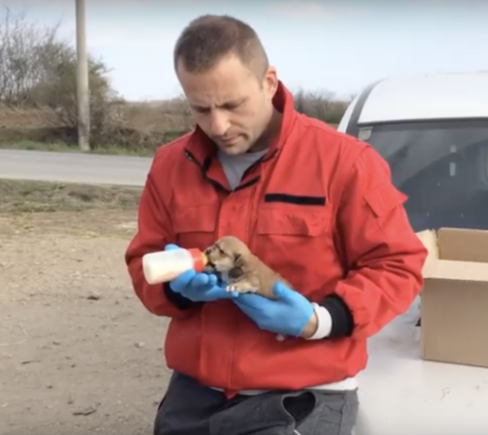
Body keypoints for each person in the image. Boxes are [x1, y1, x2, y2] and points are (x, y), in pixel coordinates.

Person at [124, 14, 428, 435]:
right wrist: (177, 292)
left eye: (232, 105)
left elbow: (397, 265)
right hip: (193, 398)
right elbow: (144, 263)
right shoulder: (171, 166)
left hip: (302, 400)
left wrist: (321, 320)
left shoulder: (345, 163)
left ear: (269, 81)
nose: (218, 126)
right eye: (200, 108)